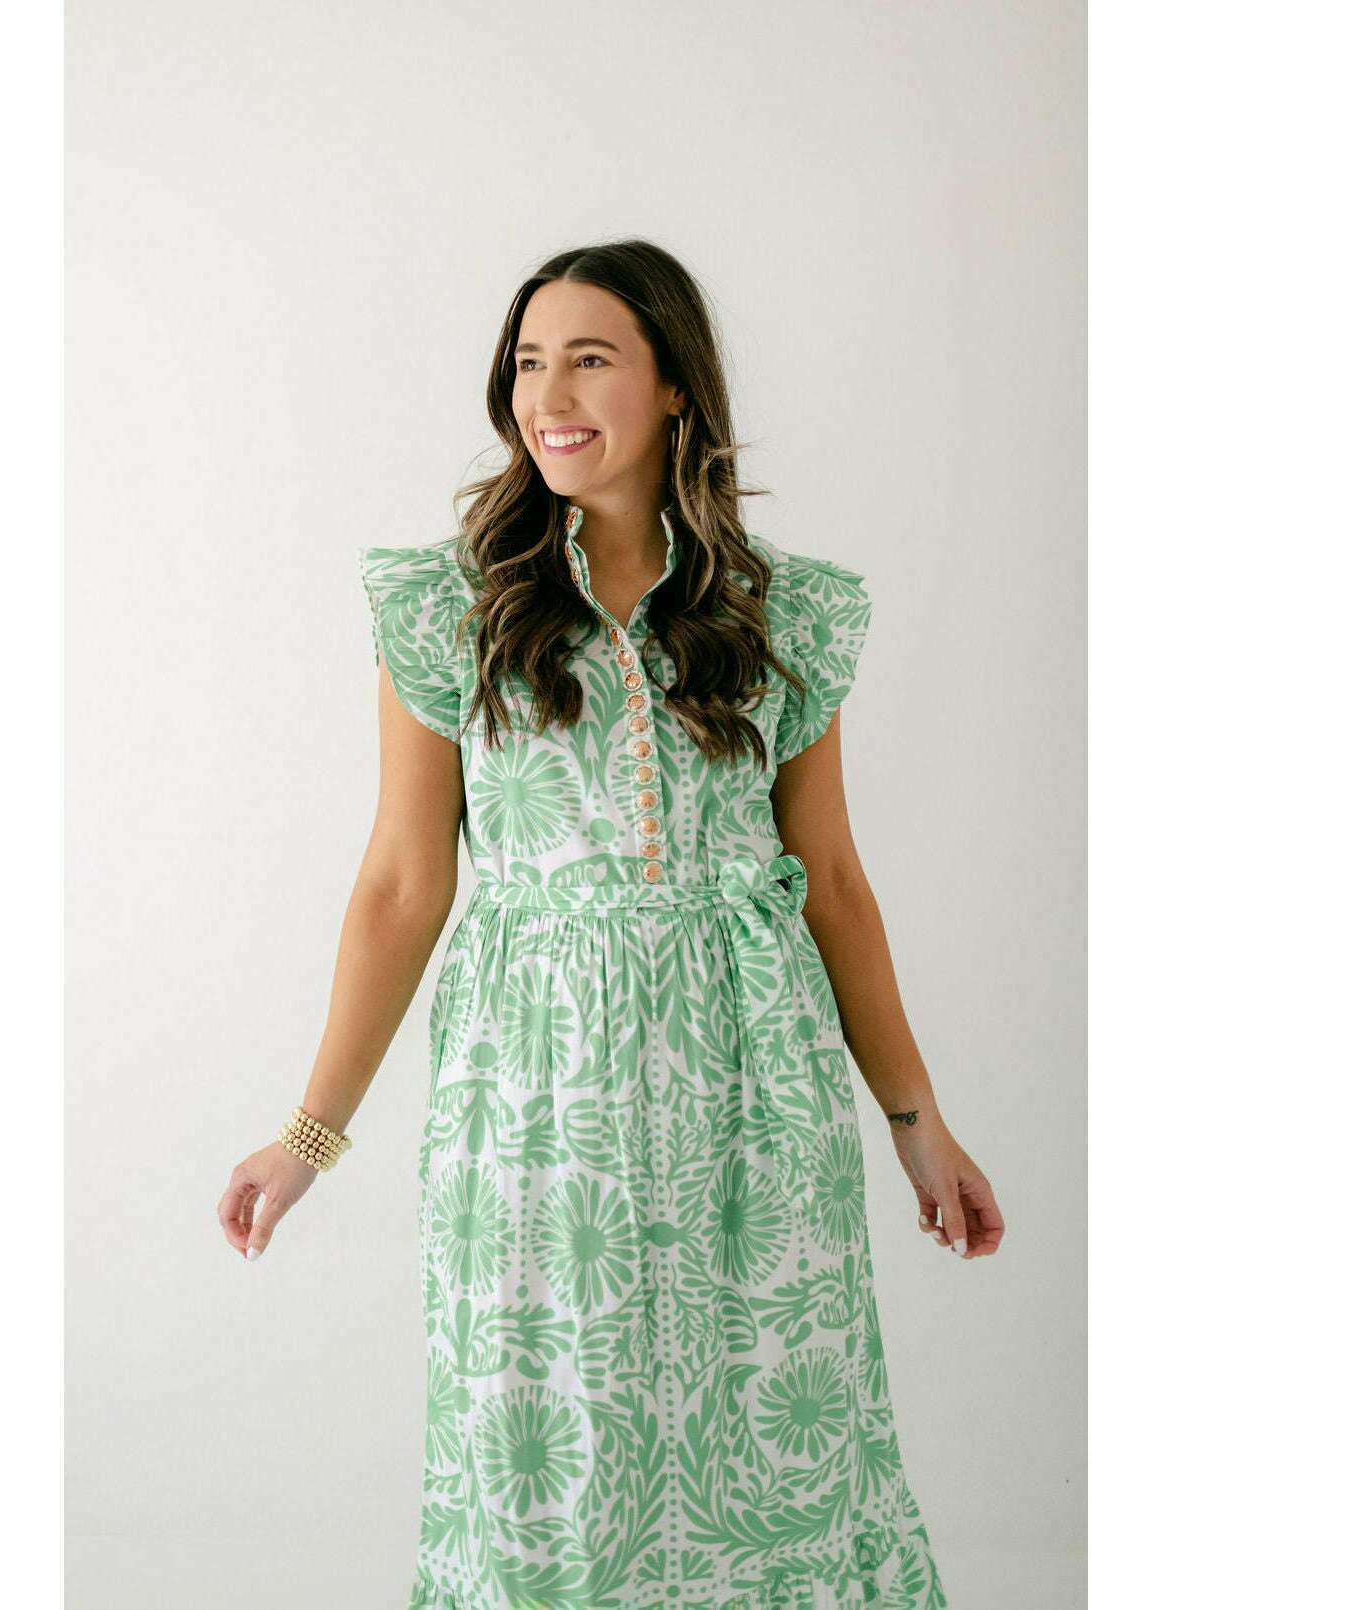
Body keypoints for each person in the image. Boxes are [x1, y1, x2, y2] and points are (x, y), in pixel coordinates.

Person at [218, 238, 1002, 1608]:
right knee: (548, 1468)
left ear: (675, 386)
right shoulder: (453, 610)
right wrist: (309, 1135)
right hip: (536, 1110)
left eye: (590, 358)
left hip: (754, 1102)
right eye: (529, 363)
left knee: (774, 1459)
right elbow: (403, 883)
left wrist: (916, 1122)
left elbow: (829, 881)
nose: (550, 395)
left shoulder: (781, 615)